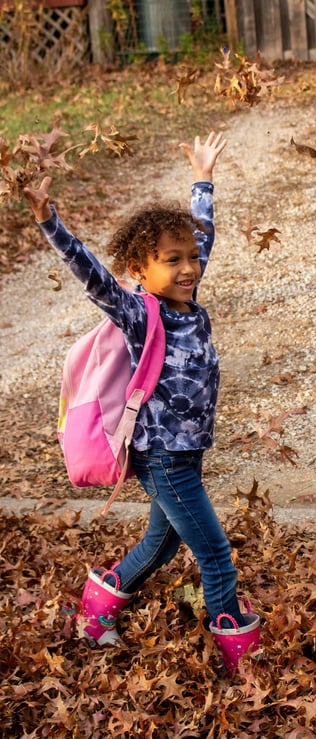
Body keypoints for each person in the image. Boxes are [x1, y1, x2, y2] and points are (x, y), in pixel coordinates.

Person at [24, 131, 260, 671]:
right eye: (171, 260)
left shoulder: (189, 303)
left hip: (186, 453)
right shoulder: (139, 313)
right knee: (216, 557)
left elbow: (206, 236)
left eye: (191, 259)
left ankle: (97, 609)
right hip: (164, 457)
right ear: (140, 269)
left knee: (161, 543)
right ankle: (241, 658)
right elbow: (92, 275)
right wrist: (50, 223)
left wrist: (203, 178)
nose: (187, 268)